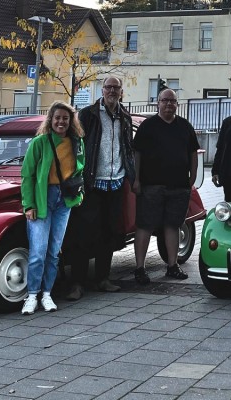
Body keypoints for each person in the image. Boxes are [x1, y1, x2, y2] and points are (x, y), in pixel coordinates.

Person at [63, 76, 135, 301]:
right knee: (83, 234)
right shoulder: (88, 114)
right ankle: (77, 283)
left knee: (109, 233)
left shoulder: (125, 117)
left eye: (116, 88)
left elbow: (127, 148)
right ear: (102, 90)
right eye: (109, 87)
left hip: (116, 182)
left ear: (121, 92)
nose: (112, 91)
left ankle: (103, 279)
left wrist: (130, 176)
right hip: (93, 182)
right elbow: (76, 145)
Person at [20, 101, 85, 315]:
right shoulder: (39, 143)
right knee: (38, 251)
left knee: (54, 251)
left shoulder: (77, 142)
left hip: (64, 200)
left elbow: (79, 172)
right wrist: (28, 205)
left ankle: (47, 294)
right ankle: (31, 295)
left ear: (70, 121)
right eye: (57, 118)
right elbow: (27, 176)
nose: (61, 122)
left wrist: (79, 196)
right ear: (51, 119)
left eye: (65, 118)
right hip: (42, 198)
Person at [131, 88, 199, 284]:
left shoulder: (185, 126)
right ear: (157, 103)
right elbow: (137, 154)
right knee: (144, 225)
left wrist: (192, 176)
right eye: (165, 100)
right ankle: (139, 268)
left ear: (177, 104)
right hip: (151, 186)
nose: (169, 104)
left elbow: (193, 152)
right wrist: (136, 179)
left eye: (172, 101)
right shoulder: (148, 126)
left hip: (178, 186)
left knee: (173, 225)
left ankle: (172, 265)